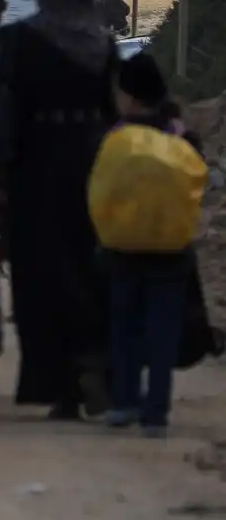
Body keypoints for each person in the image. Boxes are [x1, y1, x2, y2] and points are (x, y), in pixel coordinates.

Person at [0, 0, 116, 420]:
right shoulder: (104, 43)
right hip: (96, 167)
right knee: (93, 268)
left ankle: (62, 386)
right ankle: (96, 366)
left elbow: (4, 111)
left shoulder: (21, 40)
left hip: (37, 170)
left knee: (43, 274)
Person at [103, 52, 198, 438]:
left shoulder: (114, 137)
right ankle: (156, 412)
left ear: (128, 96)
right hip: (173, 247)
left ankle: (124, 401)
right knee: (163, 330)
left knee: (125, 325)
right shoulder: (180, 133)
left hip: (123, 247)